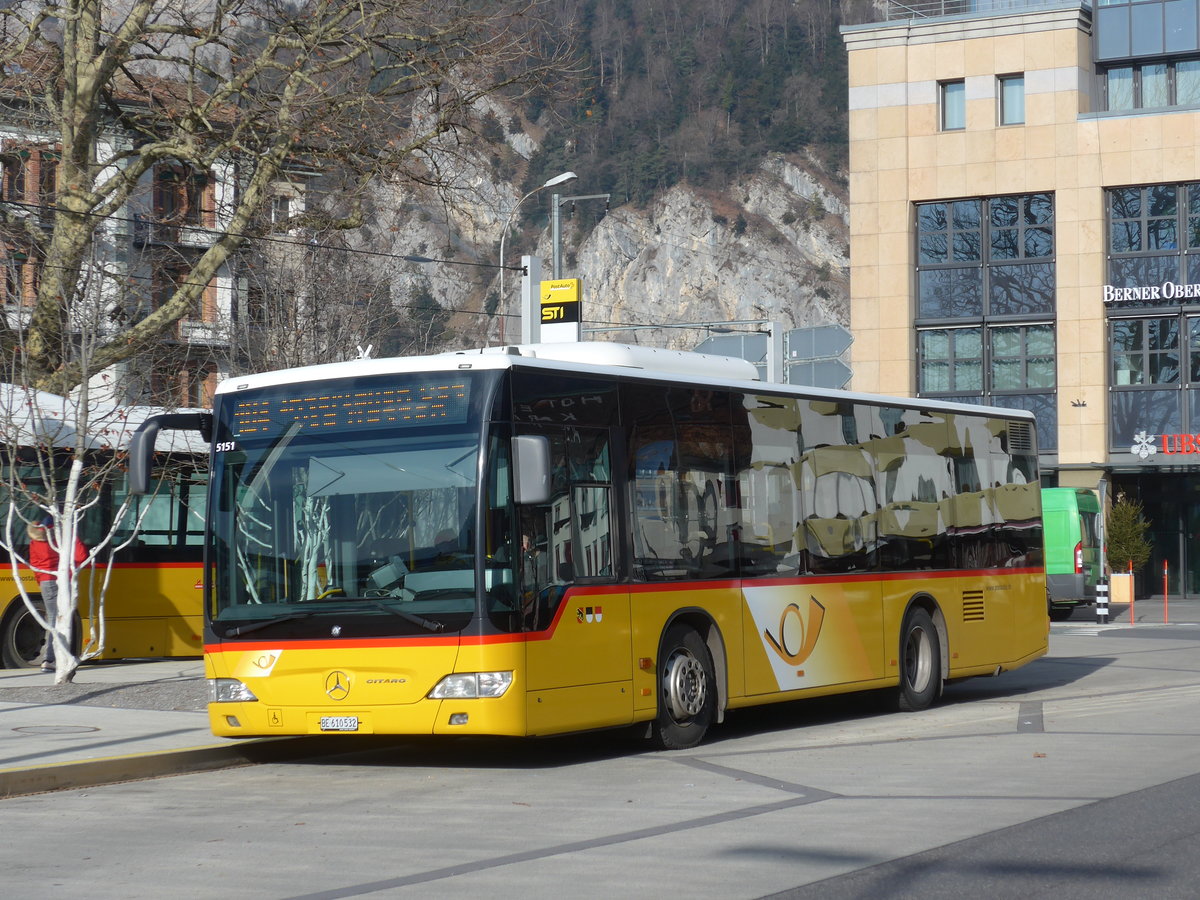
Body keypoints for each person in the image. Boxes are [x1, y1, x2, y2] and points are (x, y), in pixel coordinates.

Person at [27, 519, 87, 672]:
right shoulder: (61, 535)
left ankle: (53, 657)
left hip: (46, 581)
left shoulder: (34, 542)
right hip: (61, 579)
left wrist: (41, 581)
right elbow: (81, 556)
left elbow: (34, 564)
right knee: (59, 619)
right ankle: (50, 658)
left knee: (53, 618)